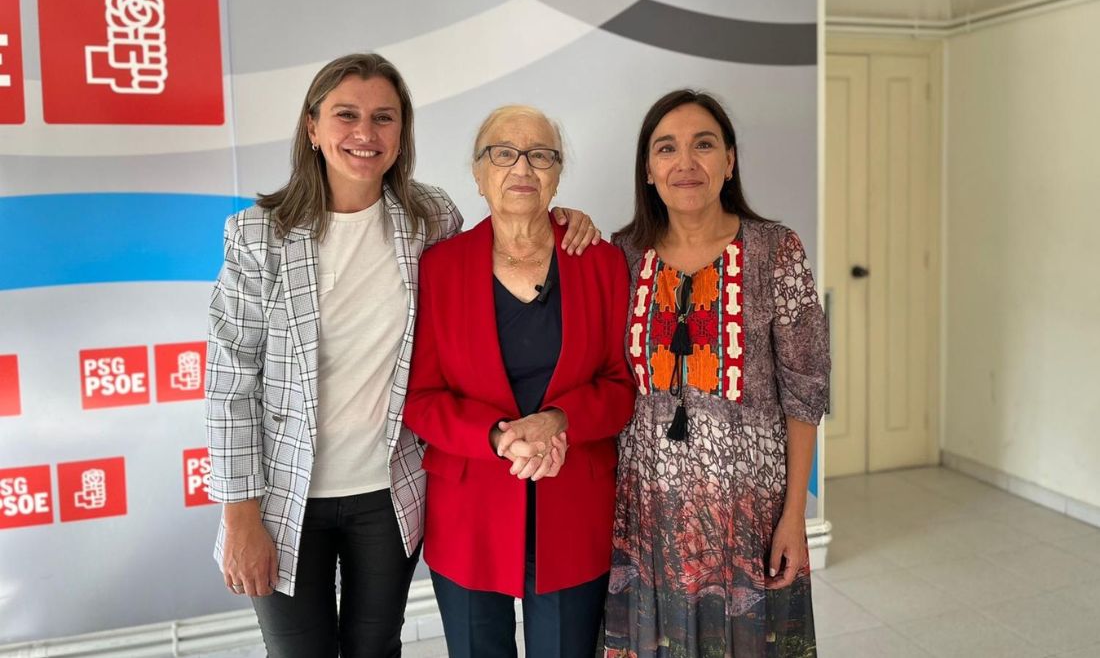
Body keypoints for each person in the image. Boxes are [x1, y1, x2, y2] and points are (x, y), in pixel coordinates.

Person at [204, 54, 600, 658]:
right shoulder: (260, 236)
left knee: (376, 650)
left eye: (383, 118)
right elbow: (230, 382)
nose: (365, 134)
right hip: (286, 497)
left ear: (402, 133)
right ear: (312, 128)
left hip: (388, 494)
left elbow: (505, 233)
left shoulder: (428, 218)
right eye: (346, 115)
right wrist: (238, 516)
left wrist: (562, 217)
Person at [403, 105, 636, 658]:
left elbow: (621, 386)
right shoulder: (439, 266)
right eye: (503, 154)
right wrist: (497, 435)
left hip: (574, 503)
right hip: (469, 511)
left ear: (557, 173)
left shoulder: (601, 262)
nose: (522, 168)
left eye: (541, 155)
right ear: (478, 173)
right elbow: (422, 399)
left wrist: (560, 419)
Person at [603, 90, 830, 657]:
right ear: (648, 170)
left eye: (704, 145)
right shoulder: (621, 256)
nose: (686, 163)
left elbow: (805, 393)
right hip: (645, 514)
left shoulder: (776, 250)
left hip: (750, 515)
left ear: (729, 162)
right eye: (667, 149)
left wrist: (794, 517)